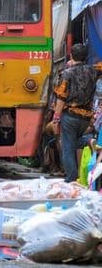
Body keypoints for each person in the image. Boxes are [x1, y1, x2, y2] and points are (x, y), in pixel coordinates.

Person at [52, 43, 98, 183]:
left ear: (71, 56)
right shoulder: (93, 70)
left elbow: (61, 97)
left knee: (68, 148)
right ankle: (89, 140)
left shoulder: (67, 73)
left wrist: (56, 118)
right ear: (86, 57)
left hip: (70, 116)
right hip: (86, 117)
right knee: (77, 142)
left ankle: (71, 178)